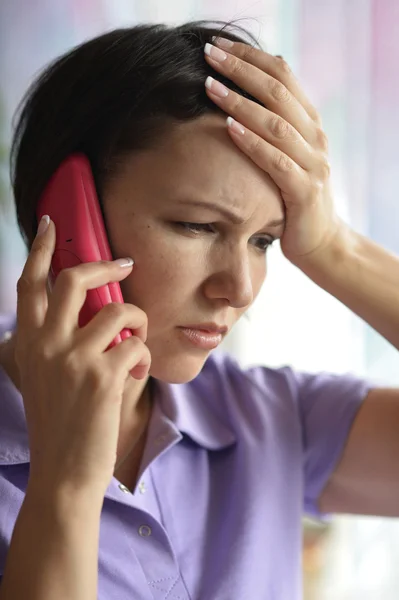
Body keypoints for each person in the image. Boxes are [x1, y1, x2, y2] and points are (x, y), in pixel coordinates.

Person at [0, 19, 398, 600]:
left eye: (263, 240)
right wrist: (66, 483)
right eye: (198, 225)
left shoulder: (265, 418)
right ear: (67, 216)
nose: (238, 289)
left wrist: (333, 248)